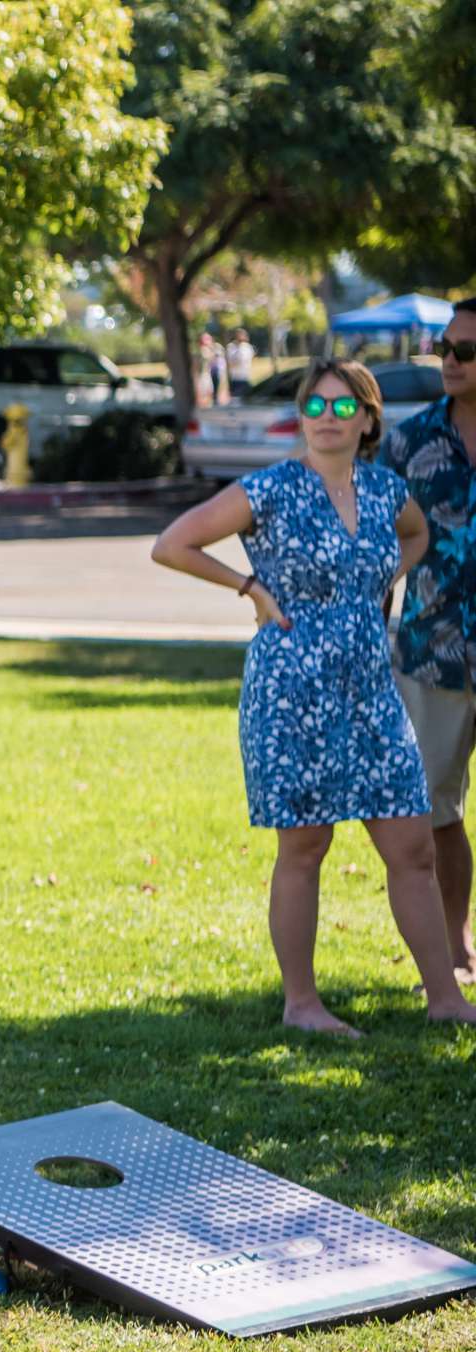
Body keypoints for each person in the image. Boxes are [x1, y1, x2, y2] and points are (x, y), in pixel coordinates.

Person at [151, 358, 476, 1035]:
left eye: (342, 408)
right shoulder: (268, 489)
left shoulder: (386, 492)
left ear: (366, 419)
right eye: (315, 408)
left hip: (371, 689)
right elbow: (173, 543)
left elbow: (416, 536)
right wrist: (250, 588)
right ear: (302, 417)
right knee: (305, 847)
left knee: (411, 844)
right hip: (290, 688)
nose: (327, 420)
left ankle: (444, 997)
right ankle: (302, 1005)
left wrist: (387, 574)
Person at [383, 296, 476, 974]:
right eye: (444, 347)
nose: (449, 361)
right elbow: (377, 545)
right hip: (429, 654)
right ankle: (455, 946)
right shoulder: (408, 441)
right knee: (436, 811)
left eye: (464, 352)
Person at [226, 327, 256, 392]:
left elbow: (250, 359)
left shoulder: (248, 347)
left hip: (245, 377)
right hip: (235, 379)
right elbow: (230, 362)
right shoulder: (231, 347)